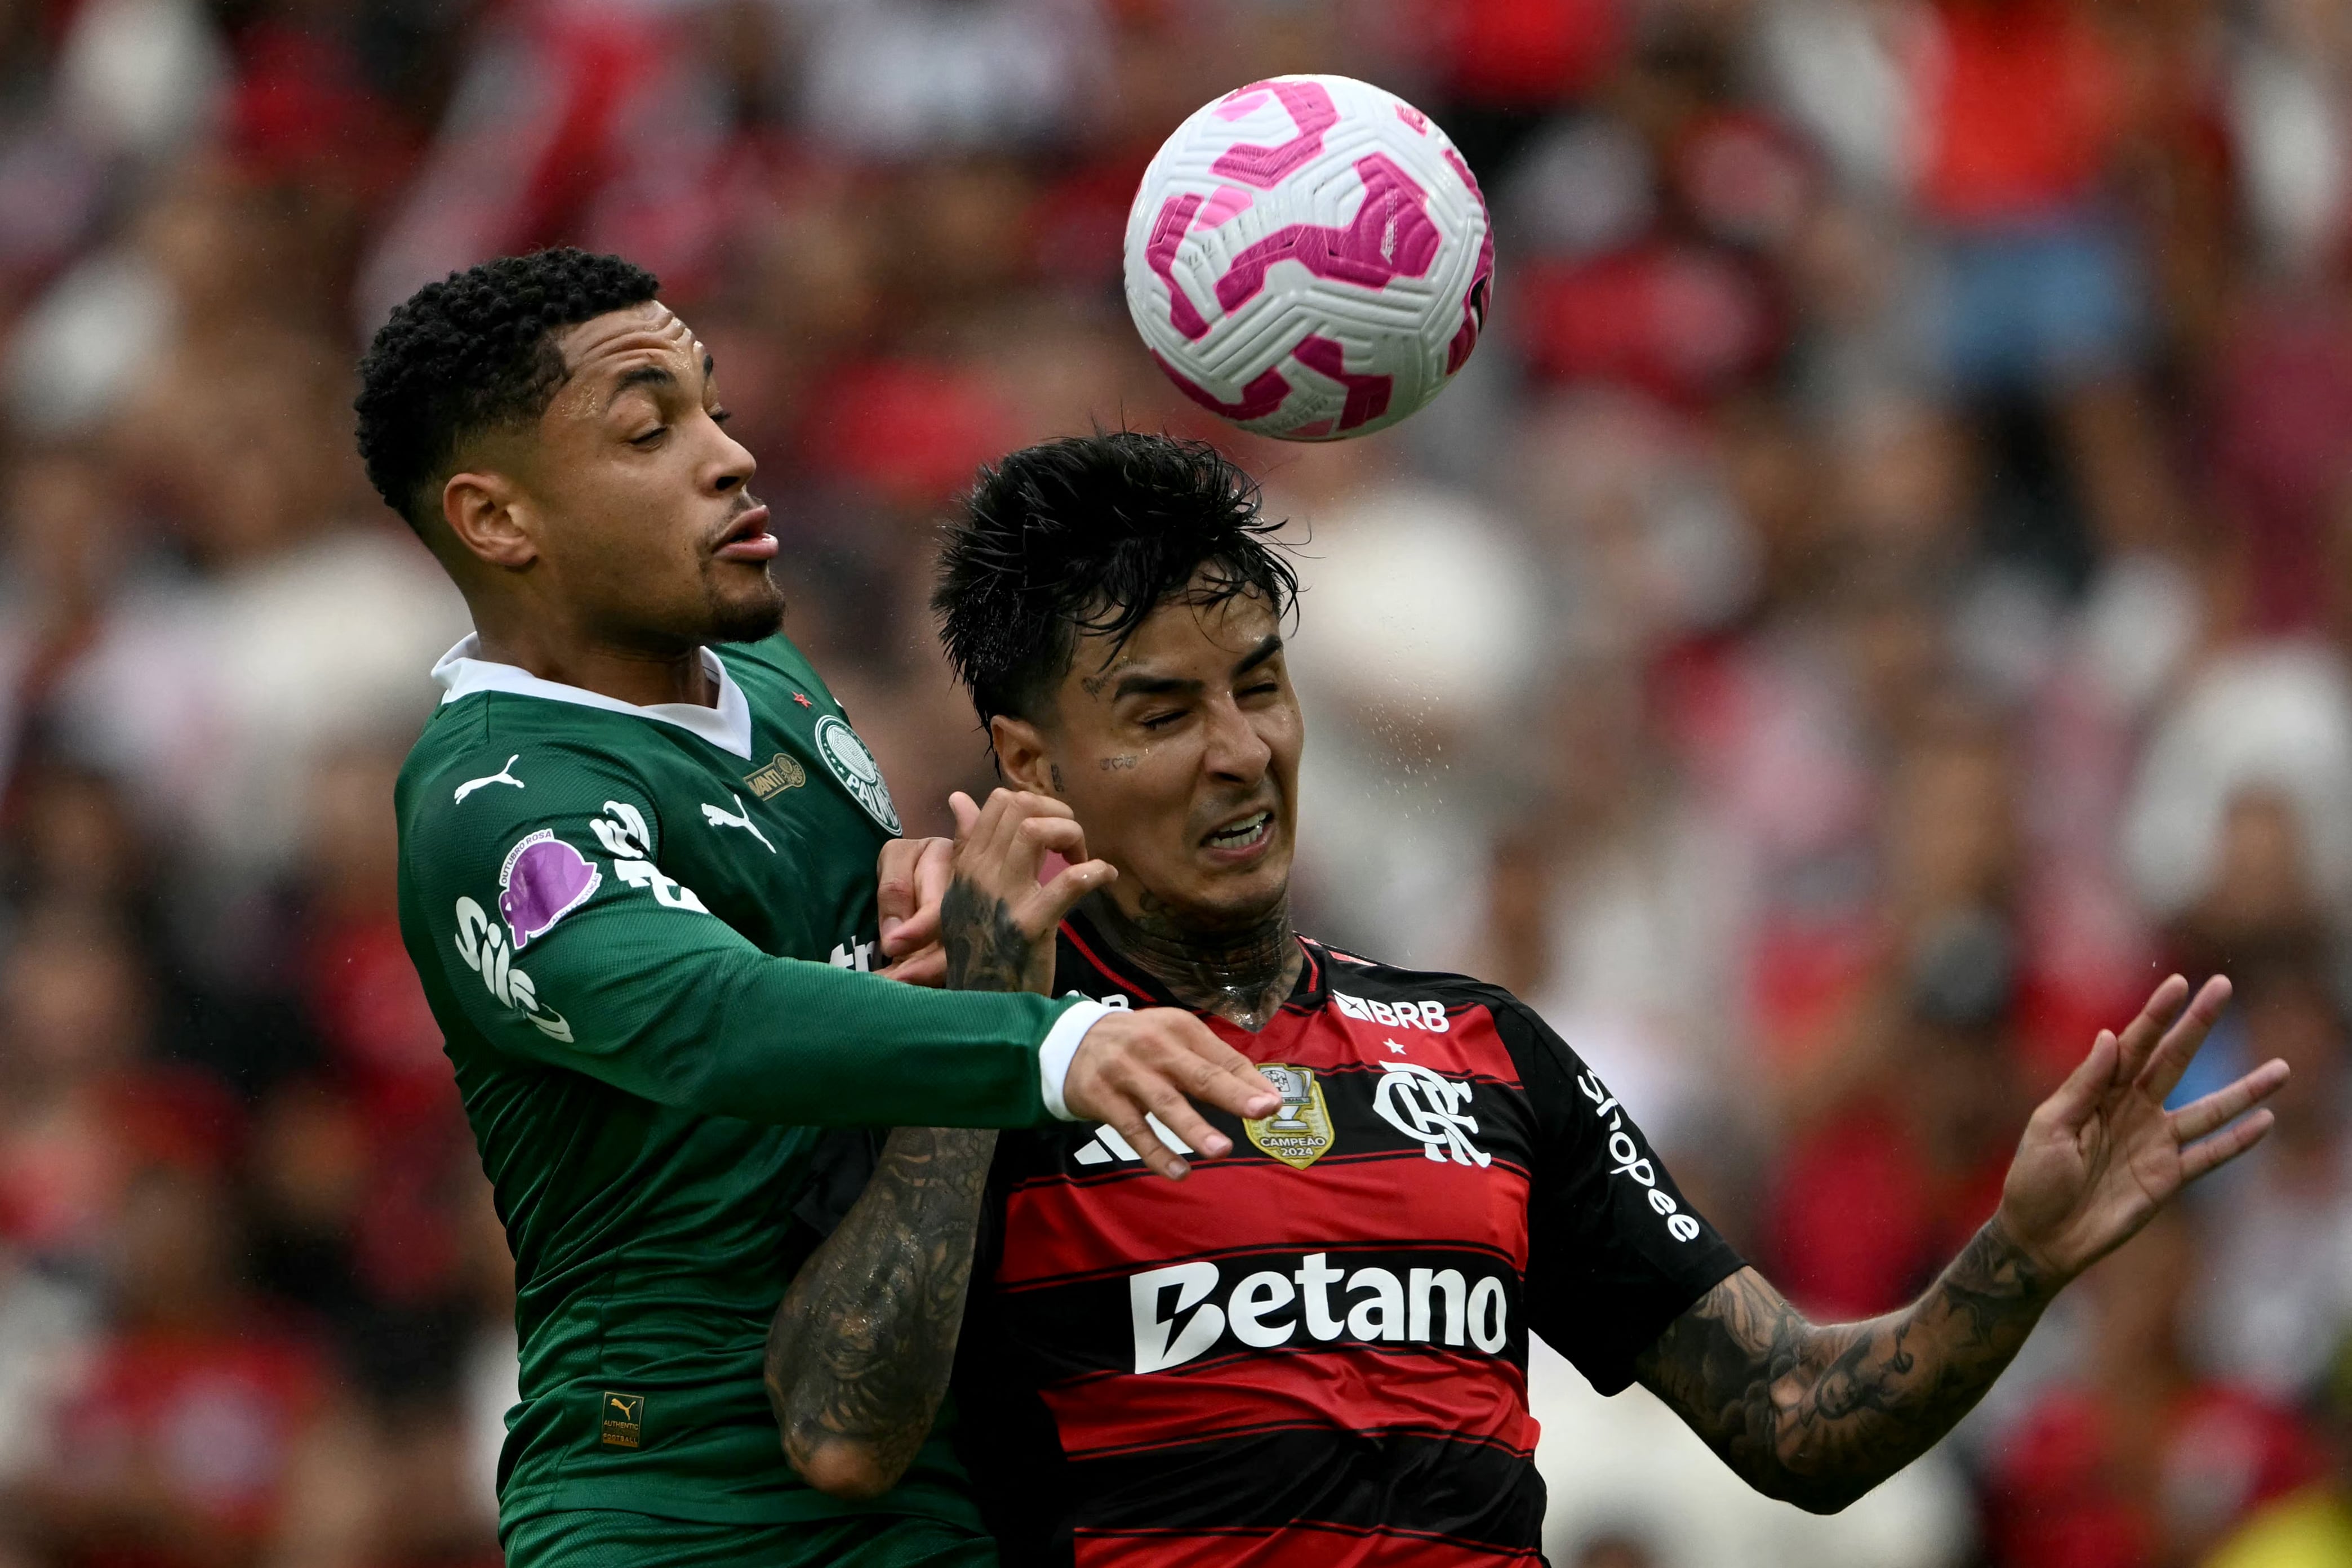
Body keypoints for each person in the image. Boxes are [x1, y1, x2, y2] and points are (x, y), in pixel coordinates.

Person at [766, 431, 2289, 1566]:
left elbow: (1800, 1429)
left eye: (1261, 682)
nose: (1242, 750)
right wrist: (981, 1044)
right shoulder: (945, 1041)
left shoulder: (1485, 1050)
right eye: (1163, 713)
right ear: (1034, 767)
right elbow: (840, 1432)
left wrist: (2015, 1257)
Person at [358, 254, 1280, 1568]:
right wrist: (1052, 1046)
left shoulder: (768, 675)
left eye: (713, 406)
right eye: (648, 429)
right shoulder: (499, 801)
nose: (729, 456)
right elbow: (703, 1013)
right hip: (681, 1502)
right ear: (498, 521)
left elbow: (819, 964)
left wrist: (914, 877)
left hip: (929, 1477)